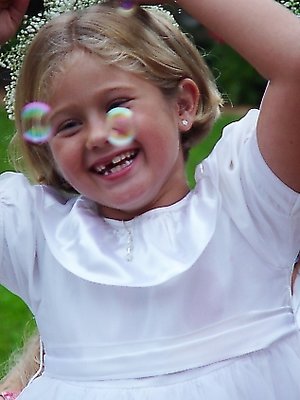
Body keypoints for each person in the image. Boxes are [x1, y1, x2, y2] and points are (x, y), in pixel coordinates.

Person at [0, 0, 299, 398]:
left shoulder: (249, 209)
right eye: (68, 124)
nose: (97, 136)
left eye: (116, 105)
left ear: (182, 104)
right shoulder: (34, 236)